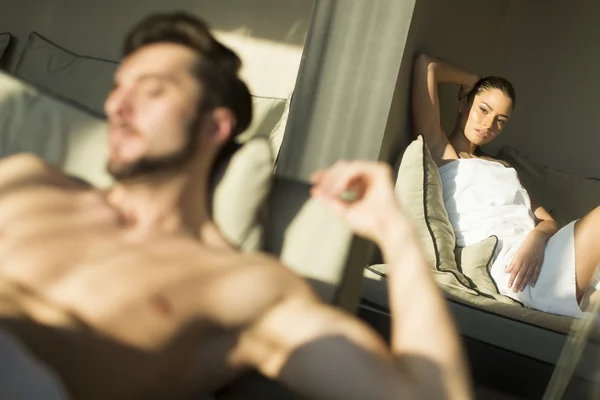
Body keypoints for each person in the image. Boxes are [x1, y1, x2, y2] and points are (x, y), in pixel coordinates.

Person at [0, 14, 472, 399]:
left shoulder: (245, 286)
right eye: (117, 88)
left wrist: (394, 230)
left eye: (151, 90)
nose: (118, 106)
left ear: (214, 127)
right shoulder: (27, 179)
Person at [412, 53, 600, 318]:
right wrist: (473, 81)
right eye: (483, 109)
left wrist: (536, 237)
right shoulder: (443, 153)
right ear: (463, 103)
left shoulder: (504, 168)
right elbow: (426, 66)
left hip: (539, 251)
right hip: (515, 268)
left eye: (500, 120)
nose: (488, 125)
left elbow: (546, 221)